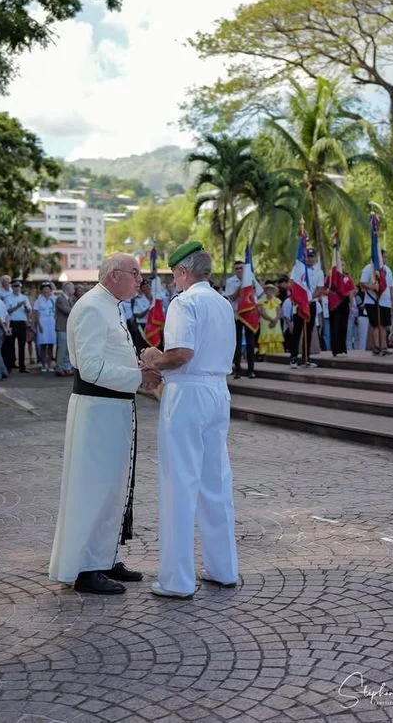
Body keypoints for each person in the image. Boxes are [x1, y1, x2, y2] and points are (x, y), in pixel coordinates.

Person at [49, 253, 160, 595]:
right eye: (134, 273)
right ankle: (84, 568)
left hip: (114, 409)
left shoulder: (111, 305)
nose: (140, 280)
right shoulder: (93, 308)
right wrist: (139, 378)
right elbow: (91, 368)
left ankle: (105, 556)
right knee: (93, 488)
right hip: (98, 410)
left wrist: (138, 365)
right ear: (114, 275)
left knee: (113, 488)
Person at [141, 241, 237, 599]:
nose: (173, 282)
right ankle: (223, 568)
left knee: (179, 483)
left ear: (183, 272)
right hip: (217, 391)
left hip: (188, 392)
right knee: (215, 480)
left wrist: (153, 358)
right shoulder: (222, 303)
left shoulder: (184, 302)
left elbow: (181, 354)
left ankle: (176, 580)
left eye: (174, 275)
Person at [225, 259, 264, 379]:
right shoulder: (230, 281)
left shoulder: (251, 278)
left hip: (249, 314)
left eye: (241, 268)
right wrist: (241, 286)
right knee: (236, 343)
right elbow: (231, 297)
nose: (239, 270)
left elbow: (260, 294)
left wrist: (250, 284)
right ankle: (237, 370)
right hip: (236, 314)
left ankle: (251, 370)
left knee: (250, 343)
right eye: (236, 268)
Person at [288, 247, 325, 368]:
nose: (309, 259)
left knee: (308, 331)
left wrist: (310, 298)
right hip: (299, 304)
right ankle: (293, 357)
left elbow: (320, 288)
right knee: (297, 331)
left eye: (311, 256)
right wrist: (302, 300)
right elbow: (292, 284)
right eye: (307, 256)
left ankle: (306, 357)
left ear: (315, 258)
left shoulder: (319, 272)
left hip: (311, 304)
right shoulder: (298, 269)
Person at [359, 249, 393, 356]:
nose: (385, 259)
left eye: (385, 257)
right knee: (376, 325)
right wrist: (372, 287)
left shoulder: (387, 270)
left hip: (385, 301)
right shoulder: (368, 268)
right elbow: (362, 283)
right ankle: (377, 346)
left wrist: (392, 301)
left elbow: (390, 287)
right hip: (372, 301)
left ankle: (384, 346)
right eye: (383, 257)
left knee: (384, 325)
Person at [325, 262, 354, 356]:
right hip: (335, 304)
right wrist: (330, 293)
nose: (342, 267)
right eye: (340, 265)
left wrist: (351, 304)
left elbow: (351, 291)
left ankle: (342, 349)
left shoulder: (347, 277)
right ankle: (335, 350)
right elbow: (325, 287)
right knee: (335, 327)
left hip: (345, 303)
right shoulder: (331, 276)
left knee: (343, 326)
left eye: (343, 265)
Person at [6, 280, 32, 372]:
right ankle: (11, 364)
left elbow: (29, 311)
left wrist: (25, 306)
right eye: (15, 287)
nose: (17, 289)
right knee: (11, 345)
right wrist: (17, 306)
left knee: (22, 345)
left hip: (22, 323)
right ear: (12, 288)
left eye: (18, 287)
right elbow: (7, 311)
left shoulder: (24, 297)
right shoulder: (8, 298)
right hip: (12, 322)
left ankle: (22, 366)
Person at [33, 281, 57, 372]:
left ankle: (49, 364)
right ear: (42, 291)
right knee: (43, 345)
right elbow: (36, 314)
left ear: (50, 290)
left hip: (52, 324)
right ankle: (43, 365)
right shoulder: (38, 301)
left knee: (50, 345)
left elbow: (56, 312)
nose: (46, 291)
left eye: (48, 289)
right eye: (44, 289)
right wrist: (39, 325)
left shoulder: (54, 299)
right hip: (42, 324)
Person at [257, 281, 284, 355]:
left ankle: (277, 354)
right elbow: (261, 312)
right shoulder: (261, 300)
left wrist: (275, 320)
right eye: (268, 290)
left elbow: (279, 311)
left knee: (276, 336)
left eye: (272, 290)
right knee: (266, 335)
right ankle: (265, 353)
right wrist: (271, 319)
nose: (270, 291)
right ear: (265, 291)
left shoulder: (277, 300)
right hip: (266, 322)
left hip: (276, 322)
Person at [55, 283, 76, 376]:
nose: (74, 290)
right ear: (67, 289)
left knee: (68, 349)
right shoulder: (60, 299)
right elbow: (68, 311)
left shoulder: (70, 299)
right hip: (62, 327)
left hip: (68, 327)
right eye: (73, 289)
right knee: (62, 349)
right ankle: (59, 367)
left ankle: (67, 367)